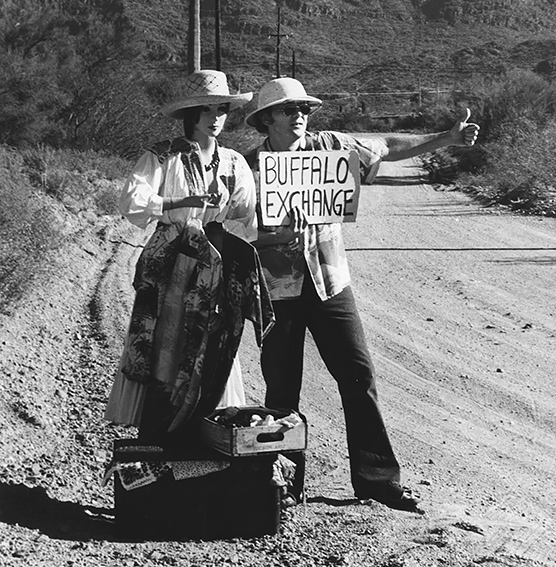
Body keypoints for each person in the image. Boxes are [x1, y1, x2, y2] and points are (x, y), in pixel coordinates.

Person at [244, 77, 480, 512]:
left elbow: (387, 146)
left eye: (304, 110)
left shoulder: (330, 148)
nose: (300, 116)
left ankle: (378, 483)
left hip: (330, 281)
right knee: (281, 387)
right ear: (266, 119)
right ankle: (281, 484)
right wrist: (274, 240)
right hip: (277, 290)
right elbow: (235, 233)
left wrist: (445, 137)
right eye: (288, 110)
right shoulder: (247, 167)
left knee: (358, 375)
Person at [105, 70, 274, 443]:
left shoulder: (233, 162)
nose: (215, 118)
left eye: (221, 110)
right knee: (165, 343)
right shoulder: (162, 154)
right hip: (171, 262)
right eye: (206, 110)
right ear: (191, 114)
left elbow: (247, 213)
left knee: (211, 340)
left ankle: (203, 426)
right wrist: (181, 202)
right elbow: (131, 202)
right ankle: (160, 431)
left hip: (213, 260)